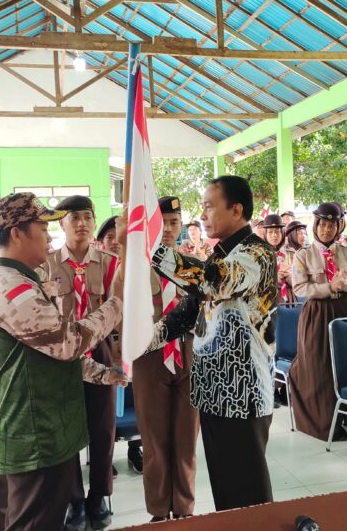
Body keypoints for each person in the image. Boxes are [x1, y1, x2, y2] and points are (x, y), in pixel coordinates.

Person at [0, 192, 124, 531]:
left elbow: (46, 351)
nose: (50, 237)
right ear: (17, 233)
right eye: (43, 229)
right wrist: (116, 304)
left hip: (44, 428)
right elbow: (66, 342)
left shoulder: (21, 280)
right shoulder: (11, 287)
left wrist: (103, 374)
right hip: (35, 436)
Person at [152, 175, 277, 511]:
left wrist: (148, 250)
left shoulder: (257, 253)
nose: (203, 215)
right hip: (213, 392)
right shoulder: (221, 255)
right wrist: (143, 341)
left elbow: (214, 283)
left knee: (249, 494)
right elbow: (188, 312)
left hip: (243, 394)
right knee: (226, 488)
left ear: (236, 210)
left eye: (209, 206)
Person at [43, 195, 119, 531]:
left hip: (99, 349)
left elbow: (119, 308)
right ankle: (73, 499)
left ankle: (98, 494)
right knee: (66, 428)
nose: (82, 223)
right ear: (62, 223)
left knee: (102, 426)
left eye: (88, 216)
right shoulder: (46, 265)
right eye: (74, 217)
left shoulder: (110, 263)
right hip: (61, 355)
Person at [133, 196, 200, 522]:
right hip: (150, 357)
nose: (170, 230)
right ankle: (159, 512)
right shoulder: (136, 267)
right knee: (155, 441)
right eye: (163, 224)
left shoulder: (194, 265)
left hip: (189, 354)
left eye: (175, 223)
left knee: (187, 440)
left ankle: (185, 509)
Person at [289, 202, 347, 442]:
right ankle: (322, 422)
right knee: (318, 365)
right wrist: (330, 286)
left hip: (344, 309)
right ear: (316, 225)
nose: (327, 230)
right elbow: (300, 288)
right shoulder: (303, 254)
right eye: (323, 225)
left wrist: (345, 283)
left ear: (339, 227)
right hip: (317, 313)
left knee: (345, 362)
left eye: (332, 225)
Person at [96, 215, 144, 475]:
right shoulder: (95, 269)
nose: (115, 242)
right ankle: (105, 457)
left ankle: (135, 449)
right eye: (109, 237)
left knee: (136, 399)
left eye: (119, 236)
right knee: (106, 405)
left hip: (131, 342)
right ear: (100, 242)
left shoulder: (135, 268)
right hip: (104, 346)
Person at [261, 214, 292, 303]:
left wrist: (289, 276)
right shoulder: (259, 256)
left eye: (277, 232)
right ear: (265, 234)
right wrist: (274, 279)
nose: (274, 235)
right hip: (267, 300)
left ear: (282, 233)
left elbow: (300, 281)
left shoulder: (291, 254)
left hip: (290, 300)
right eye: (270, 232)